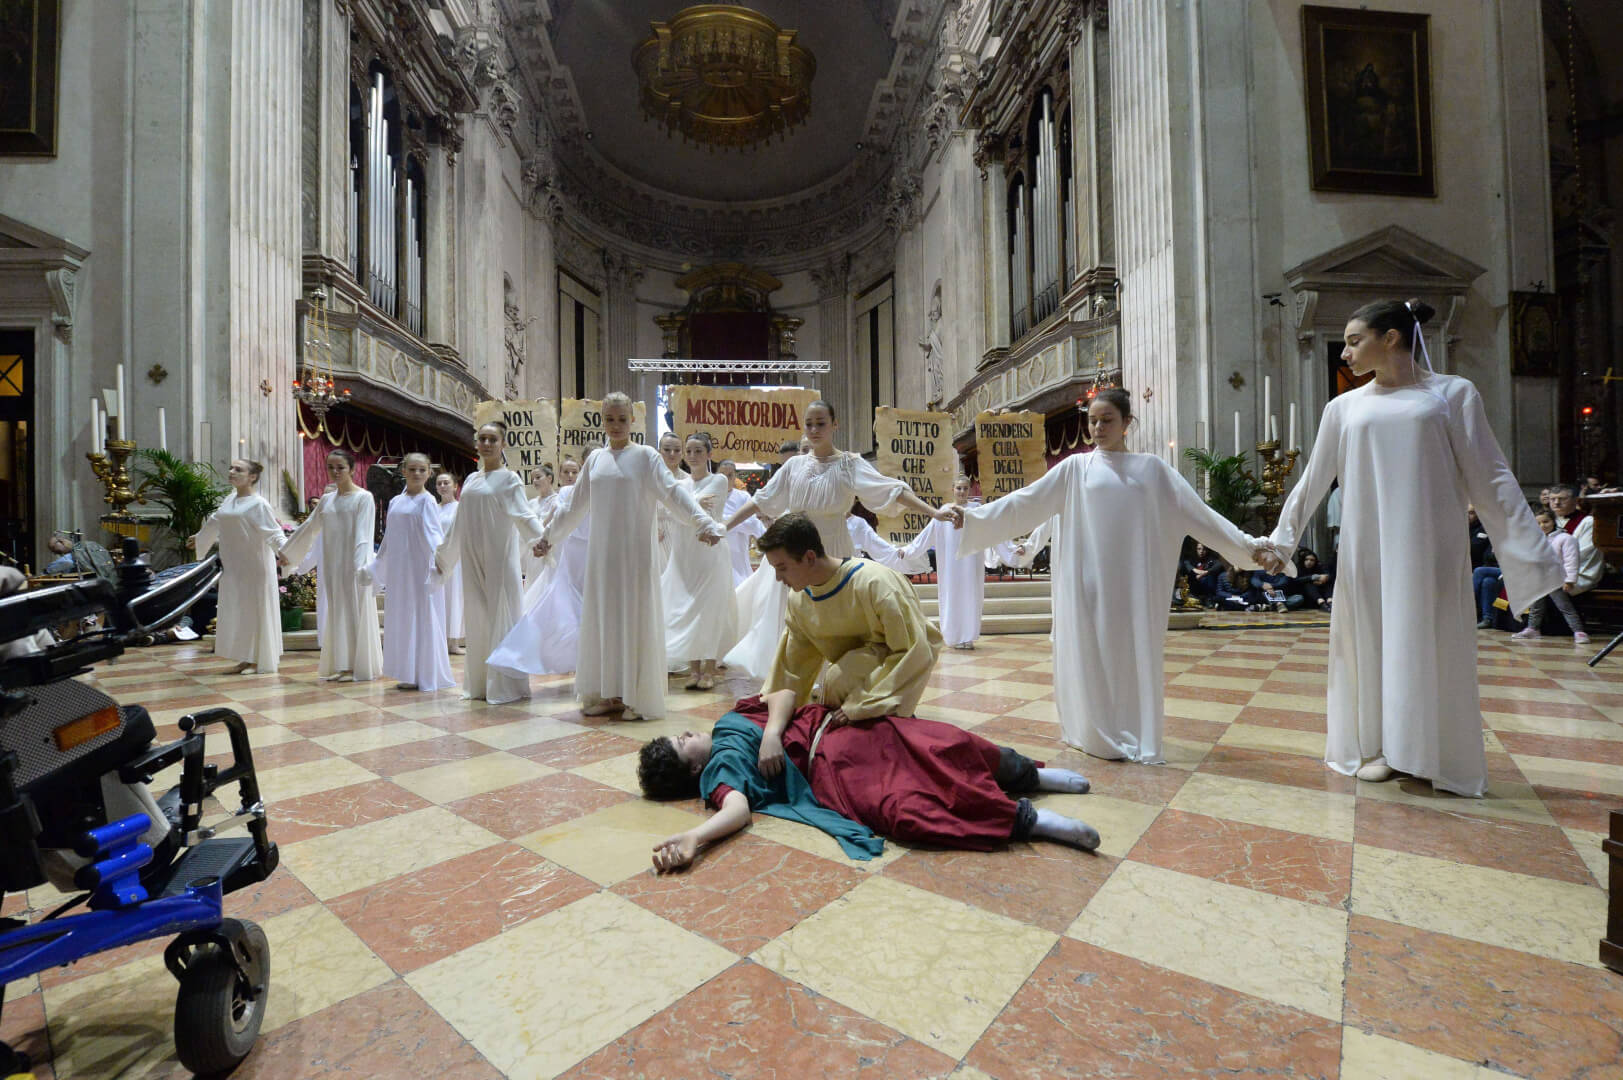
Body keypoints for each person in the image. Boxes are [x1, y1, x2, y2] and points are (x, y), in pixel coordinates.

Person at [1268, 299, 1562, 795]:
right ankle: (1382, 746)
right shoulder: (1343, 407)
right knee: (1373, 640)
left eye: (1354, 341)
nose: (1345, 353)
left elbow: (1490, 473)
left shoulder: (1452, 394)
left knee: (1427, 640)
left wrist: (1531, 552)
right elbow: (1313, 479)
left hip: (1429, 545)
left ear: (1390, 338)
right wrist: (1281, 541)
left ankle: (1426, 750)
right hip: (1366, 547)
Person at [950, 388, 1276, 762]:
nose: (1098, 428)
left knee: (1129, 655)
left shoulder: (1152, 470)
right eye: (1092, 421)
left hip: (1134, 584)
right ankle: (1093, 729)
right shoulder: (1075, 468)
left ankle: (1131, 728)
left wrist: (1248, 547)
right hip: (1086, 583)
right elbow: (1026, 501)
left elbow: (1201, 515)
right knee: (1090, 654)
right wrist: (973, 518)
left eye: (1107, 420)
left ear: (1126, 423)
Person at [638, 687, 1101, 872]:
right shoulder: (718, 771)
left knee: (943, 744)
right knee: (905, 811)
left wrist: (772, 735)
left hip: (842, 728)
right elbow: (737, 810)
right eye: (682, 743)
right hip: (831, 772)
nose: (688, 733)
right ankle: (1029, 821)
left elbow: (782, 693)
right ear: (693, 770)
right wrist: (695, 838)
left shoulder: (729, 721)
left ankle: (1030, 775)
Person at [721, 400, 953, 677]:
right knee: (791, 613)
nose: (814, 430)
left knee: (835, 613)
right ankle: (792, 677)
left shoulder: (849, 464)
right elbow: (761, 500)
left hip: (832, 548)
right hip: (795, 549)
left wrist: (933, 512)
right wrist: (724, 525)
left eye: (820, 423)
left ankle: (833, 678)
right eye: (809, 424)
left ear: (834, 425)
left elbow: (891, 490)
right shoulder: (794, 465)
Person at [532, 393, 723, 719]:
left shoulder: (646, 457)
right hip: (602, 558)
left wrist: (703, 523)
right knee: (605, 620)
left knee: (634, 620)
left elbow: (673, 493)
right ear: (603, 421)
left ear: (632, 421)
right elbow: (573, 507)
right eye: (610, 419)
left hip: (635, 557)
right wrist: (548, 537)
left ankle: (636, 696)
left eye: (622, 419)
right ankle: (608, 693)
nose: (616, 425)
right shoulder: (595, 460)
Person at [757, 512, 943, 724]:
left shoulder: (876, 583)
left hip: (884, 690)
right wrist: (774, 714)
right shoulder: (799, 599)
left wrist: (865, 704)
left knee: (842, 676)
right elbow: (793, 666)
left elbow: (915, 650)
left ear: (809, 557)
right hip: (845, 694)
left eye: (782, 568)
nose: (778, 578)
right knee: (838, 681)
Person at [433, 420, 544, 704]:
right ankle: (481, 684)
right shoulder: (471, 479)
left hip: (499, 558)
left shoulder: (510, 479)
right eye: (482, 438)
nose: (486, 444)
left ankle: (505, 685)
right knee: (478, 617)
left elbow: (524, 516)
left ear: (503, 444)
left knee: (502, 615)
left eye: (493, 439)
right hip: (472, 558)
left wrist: (543, 540)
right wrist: (445, 555)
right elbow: (459, 522)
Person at [281, 449, 383, 682]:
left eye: (341, 467)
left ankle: (356, 666)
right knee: (337, 612)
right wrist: (288, 552)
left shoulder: (363, 498)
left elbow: (364, 535)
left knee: (354, 611)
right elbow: (309, 527)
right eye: (331, 467)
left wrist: (360, 566)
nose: (335, 472)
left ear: (352, 469)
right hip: (332, 564)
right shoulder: (327, 500)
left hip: (354, 565)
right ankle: (341, 663)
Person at [488, 455, 588, 680]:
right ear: (559, 476)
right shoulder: (564, 494)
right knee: (563, 602)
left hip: (584, 551)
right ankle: (561, 652)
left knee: (576, 604)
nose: (571, 476)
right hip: (564, 550)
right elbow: (557, 520)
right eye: (566, 472)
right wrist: (545, 540)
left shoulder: (587, 492)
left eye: (575, 472)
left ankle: (576, 654)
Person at [364, 452, 455, 691]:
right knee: (403, 617)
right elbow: (389, 537)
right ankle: (407, 672)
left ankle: (425, 673)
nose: (416, 473)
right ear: (403, 471)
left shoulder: (428, 501)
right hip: (400, 570)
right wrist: (377, 564)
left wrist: (440, 563)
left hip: (420, 570)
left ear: (429, 473)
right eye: (412, 469)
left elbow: (435, 535)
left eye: (422, 470)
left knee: (422, 615)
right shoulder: (396, 501)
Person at [189, 459, 286, 674]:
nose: (231, 471)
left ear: (252, 477)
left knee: (254, 610)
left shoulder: (259, 503)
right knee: (239, 609)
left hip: (255, 565)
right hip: (234, 565)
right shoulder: (230, 499)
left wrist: (284, 551)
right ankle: (246, 656)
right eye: (231, 468)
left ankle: (257, 659)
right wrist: (199, 538)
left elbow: (273, 532)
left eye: (238, 469)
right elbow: (215, 521)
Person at [662, 433, 740, 689]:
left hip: (710, 553)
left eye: (698, 451)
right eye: (689, 451)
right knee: (687, 609)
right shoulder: (679, 484)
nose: (693, 456)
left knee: (709, 610)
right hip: (684, 554)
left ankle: (709, 669)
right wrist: (691, 505)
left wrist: (685, 508)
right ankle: (693, 670)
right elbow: (674, 512)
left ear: (709, 454)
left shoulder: (718, 480)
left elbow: (695, 511)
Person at [903, 476, 988, 649]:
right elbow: (927, 534)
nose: (962, 491)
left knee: (970, 596)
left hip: (971, 563)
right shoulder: (944, 511)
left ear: (970, 490)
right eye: (959, 488)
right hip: (951, 565)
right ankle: (954, 636)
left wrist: (1011, 549)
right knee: (952, 596)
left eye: (965, 488)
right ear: (953, 490)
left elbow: (992, 529)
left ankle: (968, 636)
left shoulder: (976, 510)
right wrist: (908, 550)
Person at [1513, 510, 1591, 644]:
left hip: (1556, 579)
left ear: (1554, 521)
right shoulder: (1536, 540)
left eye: (1546, 522)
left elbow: (1571, 560)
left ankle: (1578, 631)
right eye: (1538, 523)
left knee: (1564, 607)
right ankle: (1533, 628)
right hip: (1539, 579)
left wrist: (1570, 580)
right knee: (1536, 606)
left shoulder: (1565, 538)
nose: (1542, 526)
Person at [1549, 484, 1605, 597]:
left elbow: (1583, 553)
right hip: (1550, 571)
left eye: (1562, 499)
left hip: (1577, 574)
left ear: (1575, 500)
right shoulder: (1546, 520)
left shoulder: (1588, 522)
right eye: (1553, 499)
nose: (1556, 502)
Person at [717, 459, 764, 585]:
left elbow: (752, 525)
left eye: (730, 475)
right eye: (722, 475)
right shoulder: (710, 497)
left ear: (735, 476)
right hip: (716, 550)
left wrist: (723, 521)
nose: (726, 479)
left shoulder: (743, 497)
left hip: (738, 553)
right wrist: (737, 520)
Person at [434, 471, 466, 653]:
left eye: (446, 483)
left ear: (455, 486)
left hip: (455, 560)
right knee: (439, 598)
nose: (442, 486)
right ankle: (438, 640)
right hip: (436, 559)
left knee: (454, 597)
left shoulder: (460, 508)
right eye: (439, 483)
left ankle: (453, 641)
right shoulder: (433, 508)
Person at [1468, 507, 1502, 629]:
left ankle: (1467, 606)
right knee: (1488, 581)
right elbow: (1487, 557)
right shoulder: (1494, 537)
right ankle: (1488, 618)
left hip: (1511, 570)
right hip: (1494, 570)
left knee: (1479, 571)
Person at [1179, 540, 1223, 604]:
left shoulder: (1210, 559)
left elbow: (1219, 564)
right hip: (1194, 586)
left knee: (1210, 576)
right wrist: (1196, 570)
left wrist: (1205, 572)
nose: (1201, 551)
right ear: (1196, 550)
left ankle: (1209, 599)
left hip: (1207, 587)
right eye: (1199, 549)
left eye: (1204, 549)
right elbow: (1187, 564)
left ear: (1207, 550)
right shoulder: (1192, 559)